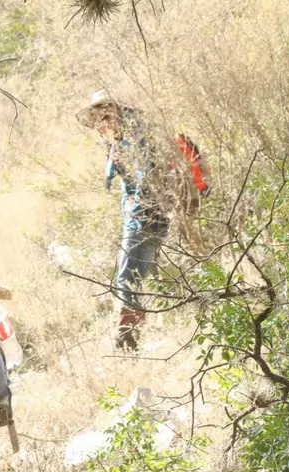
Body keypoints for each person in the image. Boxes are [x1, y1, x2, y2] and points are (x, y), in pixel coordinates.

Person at [77, 89, 175, 350]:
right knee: (138, 275)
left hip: (144, 217)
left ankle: (126, 338)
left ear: (116, 112)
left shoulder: (134, 139)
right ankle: (131, 339)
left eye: (104, 114)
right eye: (98, 117)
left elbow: (148, 173)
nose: (101, 122)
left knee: (127, 277)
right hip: (149, 215)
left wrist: (138, 205)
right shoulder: (122, 140)